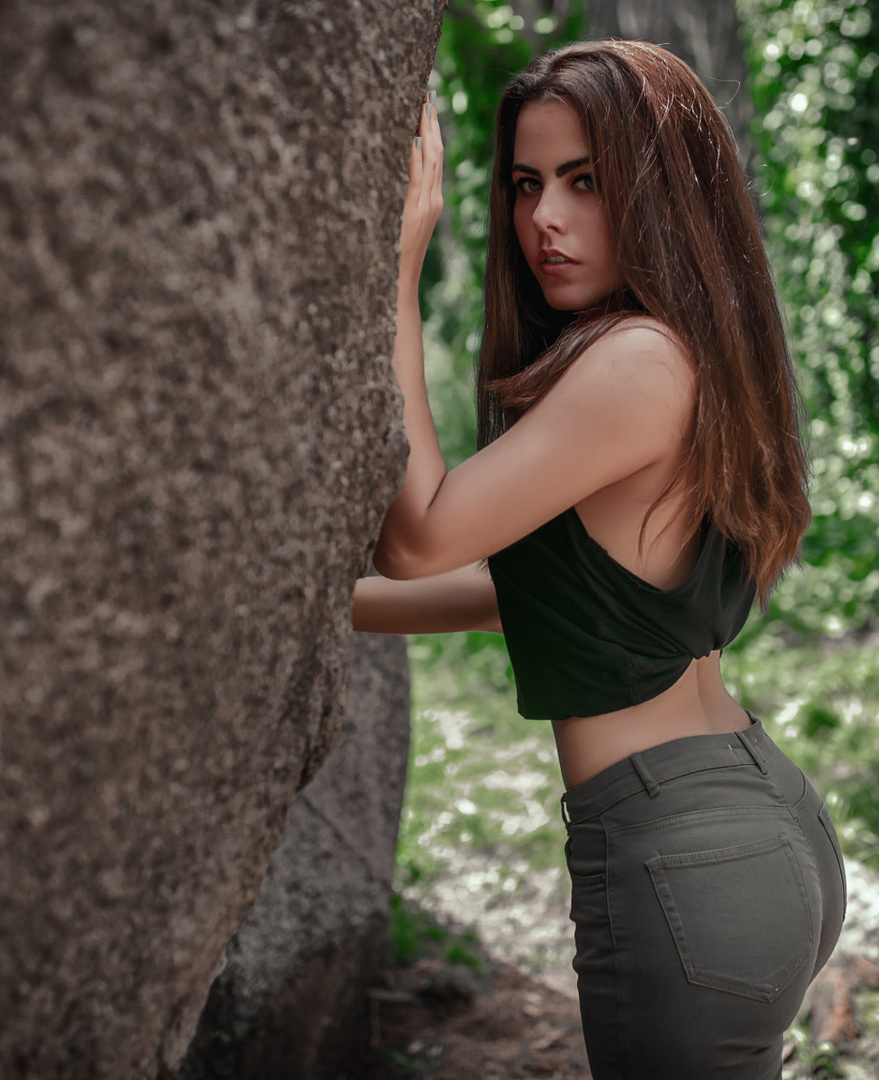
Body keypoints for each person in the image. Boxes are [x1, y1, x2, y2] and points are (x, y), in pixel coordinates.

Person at [353, 40, 846, 1079]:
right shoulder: (679, 350)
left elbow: (421, 533)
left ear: (659, 191)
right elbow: (540, 593)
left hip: (682, 855)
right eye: (527, 185)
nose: (545, 220)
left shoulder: (634, 363)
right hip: (752, 819)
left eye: (587, 182)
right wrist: (335, 606)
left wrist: (395, 270)